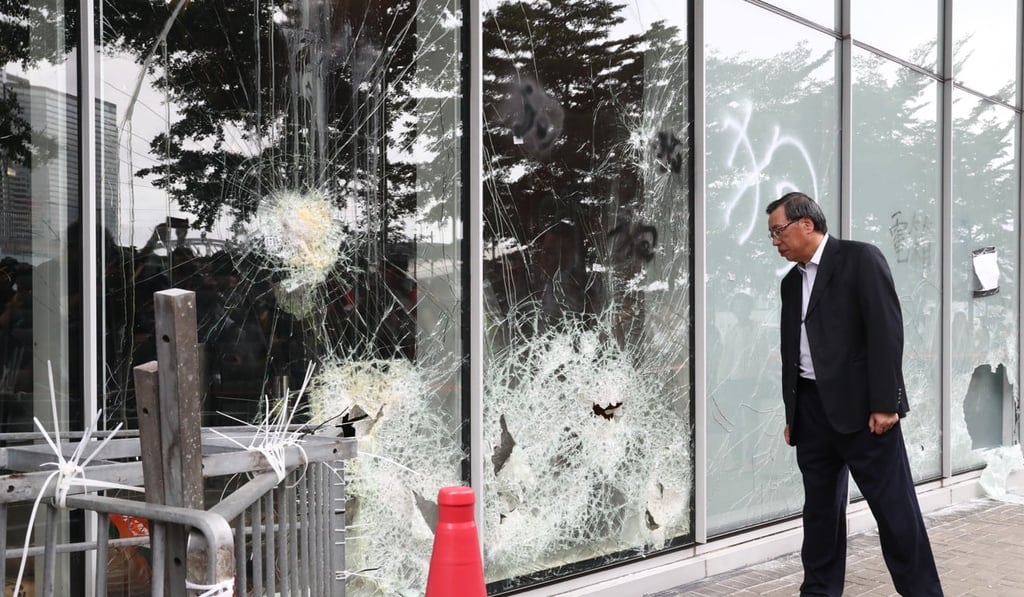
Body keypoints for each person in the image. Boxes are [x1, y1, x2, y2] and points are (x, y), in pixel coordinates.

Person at [765, 191, 942, 596]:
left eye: (779, 231)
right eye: (772, 235)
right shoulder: (792, 284)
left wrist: (886, 403)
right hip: (811, 415)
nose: (775, 241)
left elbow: (886, 331)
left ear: (806, 224)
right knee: (820, 517)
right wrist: (794, 414)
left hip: (866, 415)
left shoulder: (860, 259)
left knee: (896, 514)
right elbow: (792, 350)